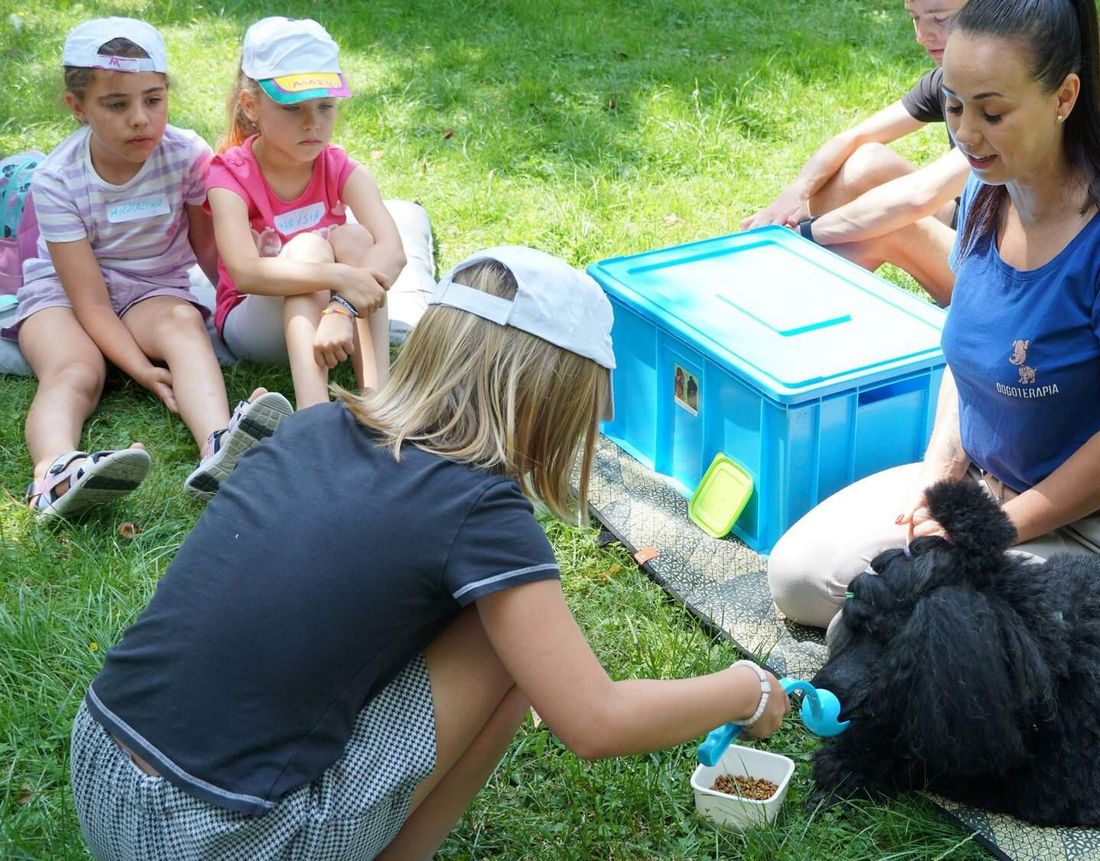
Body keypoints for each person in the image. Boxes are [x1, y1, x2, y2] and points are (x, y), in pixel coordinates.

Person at [70, 246, 789, 860]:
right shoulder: (480, 509)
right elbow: (594, 720)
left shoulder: (313, 426)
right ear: (552, 403)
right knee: (510, 651)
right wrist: (747, 689)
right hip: (217, 835)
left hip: (101, 765)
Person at [768, 0, 1100, 637]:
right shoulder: (984, 194)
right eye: (954, 107)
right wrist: (938, 483)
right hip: (985, 488)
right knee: (800, 579)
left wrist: (990, 530)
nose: (967, 134)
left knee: (884, 636)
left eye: (992, 113)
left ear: (1064, 97)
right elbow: (965, 363)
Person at [7, 17, 291, 520]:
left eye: (153, 99)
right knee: (76, 370)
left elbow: (209, 250)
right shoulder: (57, 180)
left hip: (151, 287)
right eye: (117, 105)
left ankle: (219, 448)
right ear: (77, 106)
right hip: (64, 296)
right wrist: (141, 370)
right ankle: (53, 473)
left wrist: (241, 301)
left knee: (183, 323)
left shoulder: (186, 155)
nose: (140, 119)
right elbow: (90, 302)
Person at [207, 17, 405, 410]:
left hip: (333, 321)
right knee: (309, 249)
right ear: (251, 106)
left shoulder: (340, 166)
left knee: (357, 238)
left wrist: (341, 306)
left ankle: (378, 403)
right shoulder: (229, 174)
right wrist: (341, 278)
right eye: (292, 108)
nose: (312, 123)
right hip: (254, 325)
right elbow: (246, 272)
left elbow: (393, 251)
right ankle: (312, 414)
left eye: (325, 106)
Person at [740, 1, 970, 305]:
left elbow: (917, 198)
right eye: (915, 18)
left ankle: (780, 299)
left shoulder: (1008, 100)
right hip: (975, 226)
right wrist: (795, 194)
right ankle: (783, 281)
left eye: (939, 19)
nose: (922, 35)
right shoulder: (949, 79)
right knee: (865, 162)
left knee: (889, 226)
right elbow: (854, 137)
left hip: (1010, 282)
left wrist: (809, 232)